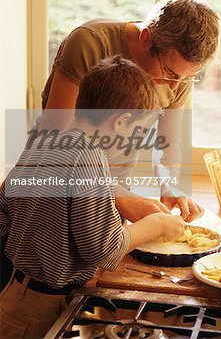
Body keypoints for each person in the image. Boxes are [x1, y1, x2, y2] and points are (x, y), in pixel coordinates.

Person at [0, 57, 185, 338]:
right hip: (41, 309)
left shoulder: (44, 141)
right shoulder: (89, 157)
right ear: (120, 121)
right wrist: (157, 225)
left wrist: (37, 239)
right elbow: (105, 250)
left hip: (15, 294)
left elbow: (4, 206)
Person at [40, 0, 220, 221]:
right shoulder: (90, 42)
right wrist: (122, 198)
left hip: (115, 202)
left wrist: (169, 184)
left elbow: (169, 142)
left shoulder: (178, 76)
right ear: (146, 38)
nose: (174, 88)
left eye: (186, 78)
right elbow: (53, 143)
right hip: (62, 195)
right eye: (170, 74)